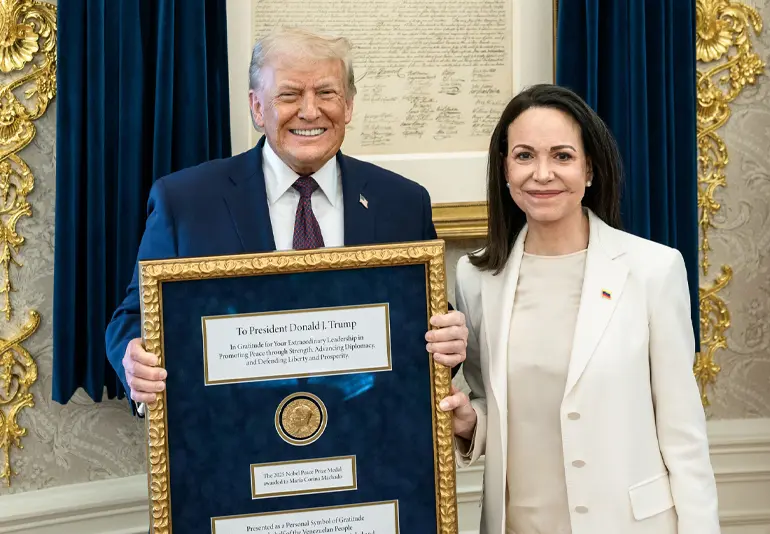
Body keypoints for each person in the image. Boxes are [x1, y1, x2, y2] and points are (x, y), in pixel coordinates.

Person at [105, 27, 467, 410]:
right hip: (232, 438)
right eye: (290, 95)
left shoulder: (403, 203)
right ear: (258, 108)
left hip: (368, 436)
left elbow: (425, 322)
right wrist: (133, 359)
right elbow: (133, 317)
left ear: (348, 105)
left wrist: (450, 341)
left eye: (326, 93)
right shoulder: (185, 202)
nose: (310, 111)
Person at [438, 84, 720, 533]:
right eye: (525, 156)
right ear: (504, 169)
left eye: (562, 156)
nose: (542, 174)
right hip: (518, 523)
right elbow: (490, 401)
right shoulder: (476, 278)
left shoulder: (653, 270)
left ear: (590, 169)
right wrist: (471, 422)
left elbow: (683, 434)